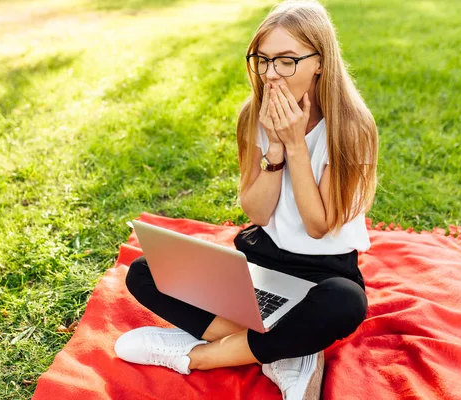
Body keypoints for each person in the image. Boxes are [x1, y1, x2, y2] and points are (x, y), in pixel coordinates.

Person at [114, 0, 378, 399]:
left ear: (320, 61)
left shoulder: (351, 127)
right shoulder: (253, 115)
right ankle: (286, 352)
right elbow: (256, 212)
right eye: (263, 60)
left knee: (345, 304)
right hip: (262, 259)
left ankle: (201, 355)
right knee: (146, 272)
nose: (271, 74)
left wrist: (296, 146)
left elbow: (318, 225)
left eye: (287, 61)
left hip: (326, 270)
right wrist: (274, 150)